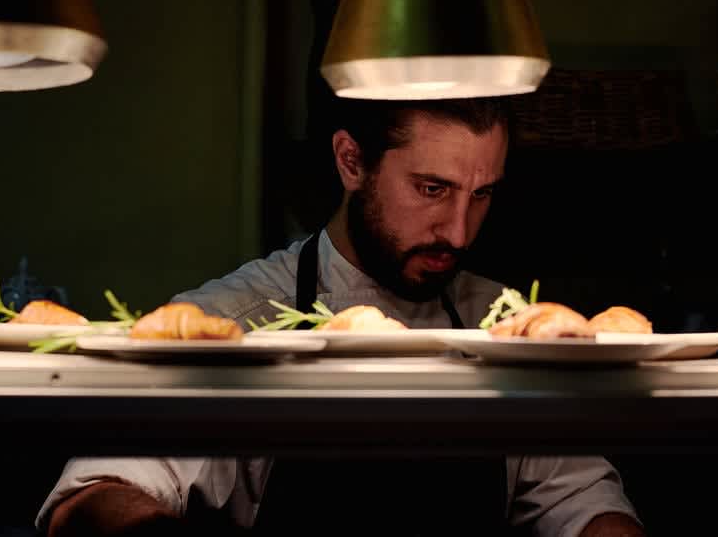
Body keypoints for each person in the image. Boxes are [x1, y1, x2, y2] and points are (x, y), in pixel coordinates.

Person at [37, 97, 645, 537]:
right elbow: (93, 496)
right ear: (352, 162)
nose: (459, 232)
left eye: (480, 194)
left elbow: (584, 501)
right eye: (432, 189)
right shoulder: (236, 317)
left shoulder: (505, 323)